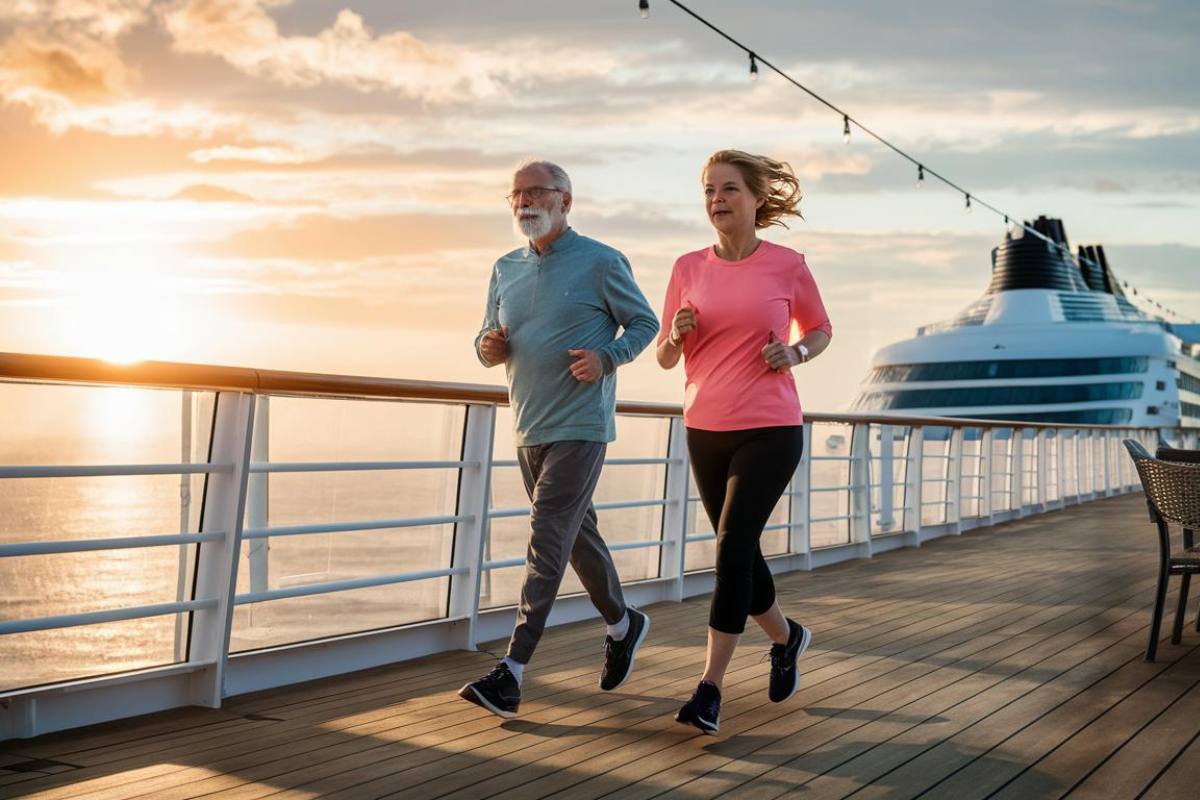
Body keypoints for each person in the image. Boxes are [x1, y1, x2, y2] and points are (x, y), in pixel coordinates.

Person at [459, 159, 660, 718]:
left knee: (546, 540)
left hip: (581, 425)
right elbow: (483, 336)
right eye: (515, 194)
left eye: (535, 193)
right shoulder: (504, 268)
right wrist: (488, 347)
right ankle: (624, 624)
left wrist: (607, 357)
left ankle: (512, 671)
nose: (524, 202)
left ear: (565, 201)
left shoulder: (601, 261)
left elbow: (644, 323)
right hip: (528, 425)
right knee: (573, 537)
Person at [657, 149, 832, 734]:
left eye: (729, 189)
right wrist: (677, 336)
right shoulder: (687, 267)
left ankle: (709, 690)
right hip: (705, 429)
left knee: (731, 550)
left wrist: (796, 352)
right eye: (709, 190)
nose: (717, 200)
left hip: (772, 426)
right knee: (744, 552)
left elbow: (820, 329)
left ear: (758, 199)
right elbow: (662, 356)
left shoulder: (787, 265)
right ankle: (788, 638)